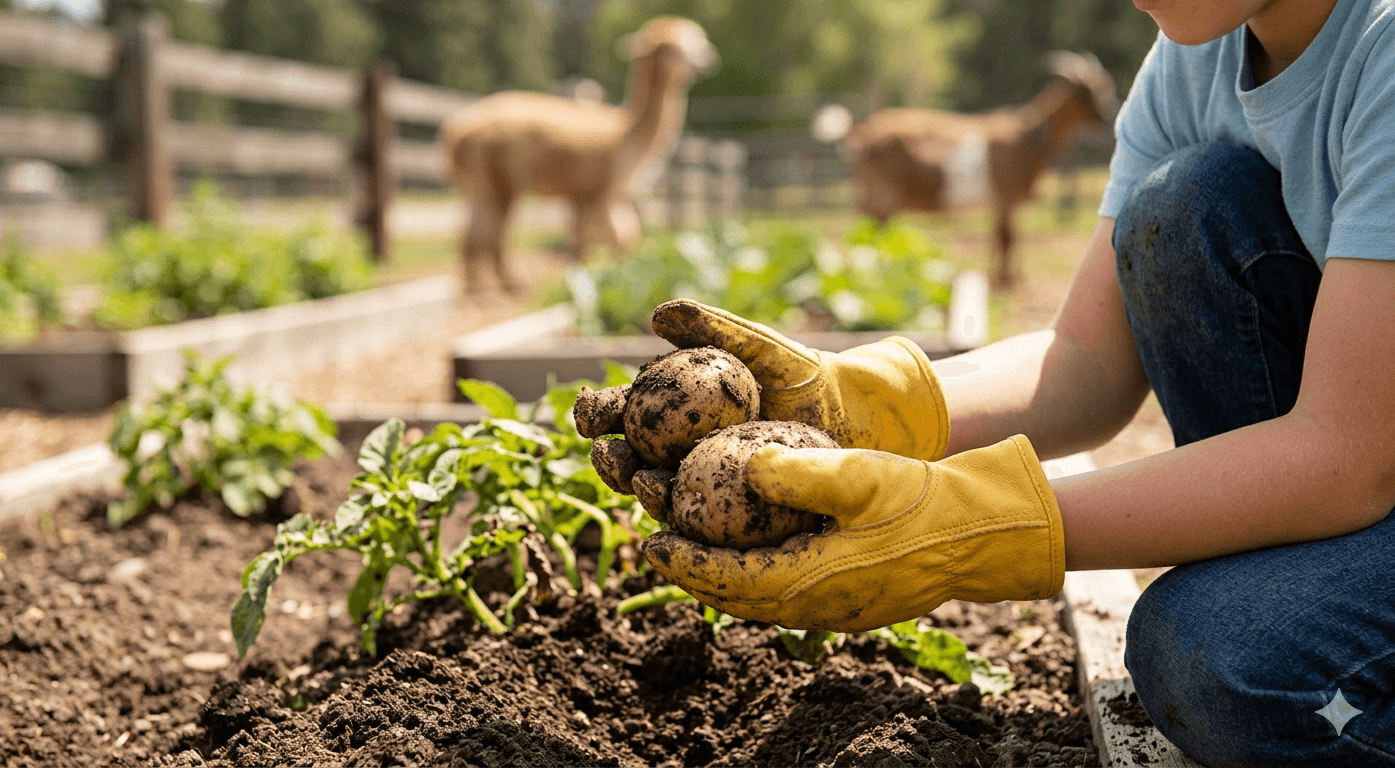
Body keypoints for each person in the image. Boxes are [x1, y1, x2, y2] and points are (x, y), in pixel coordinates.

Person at [584, 0, 1395, 762]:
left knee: (1217, 658)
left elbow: (1346, 456)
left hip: (1361, 467)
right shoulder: (1196, 56)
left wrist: (973, 529)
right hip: (1354, 469)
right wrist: (852, 405)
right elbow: (1086, 364)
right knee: (1183, 206)